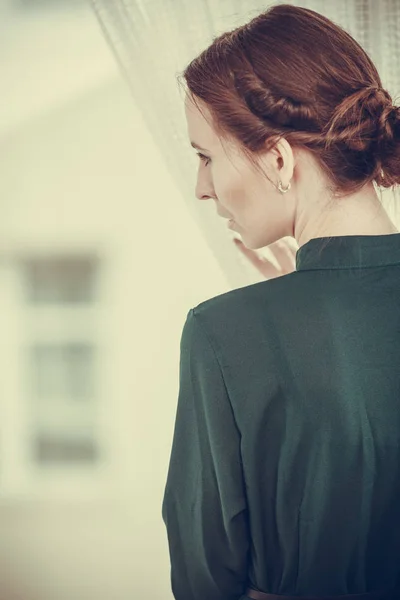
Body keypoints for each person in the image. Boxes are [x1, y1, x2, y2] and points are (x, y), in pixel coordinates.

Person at [161, 4, 400, 600]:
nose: (202, 186)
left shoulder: (222, 334)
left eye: (206, 155)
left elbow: (203, 582)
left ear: (277, 158)